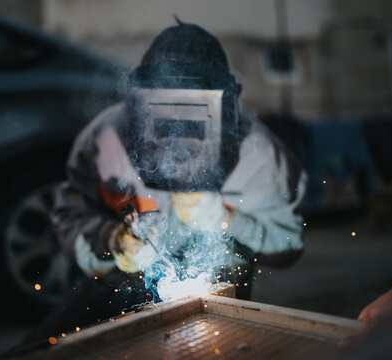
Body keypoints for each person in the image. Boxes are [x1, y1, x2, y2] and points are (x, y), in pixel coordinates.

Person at [30, 20, 307, 341]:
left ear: (230, 102)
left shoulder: (260, 156)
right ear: (136, 102)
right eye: (162, 117)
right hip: (117, 282)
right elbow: (68, 217)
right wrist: (112, 240)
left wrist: (230, 220)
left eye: (193, 117)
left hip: (216, 292)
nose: (176, 140)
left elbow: (289, 247)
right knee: (46, 345)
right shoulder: (104, 138)